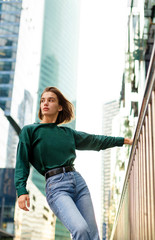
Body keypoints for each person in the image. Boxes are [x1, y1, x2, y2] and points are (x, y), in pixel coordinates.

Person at [14, 86, 133, 240]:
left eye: (51, 100)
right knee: (80, 229)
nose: (45, 103)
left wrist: (122, 140)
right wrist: (21, 191)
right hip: (56, 187)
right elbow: (21, 162)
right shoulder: (30, 131)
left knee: (93, 235)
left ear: (60, 107)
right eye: (43, 100)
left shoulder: (67, 133)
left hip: (77, 181)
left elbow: (94, 140)